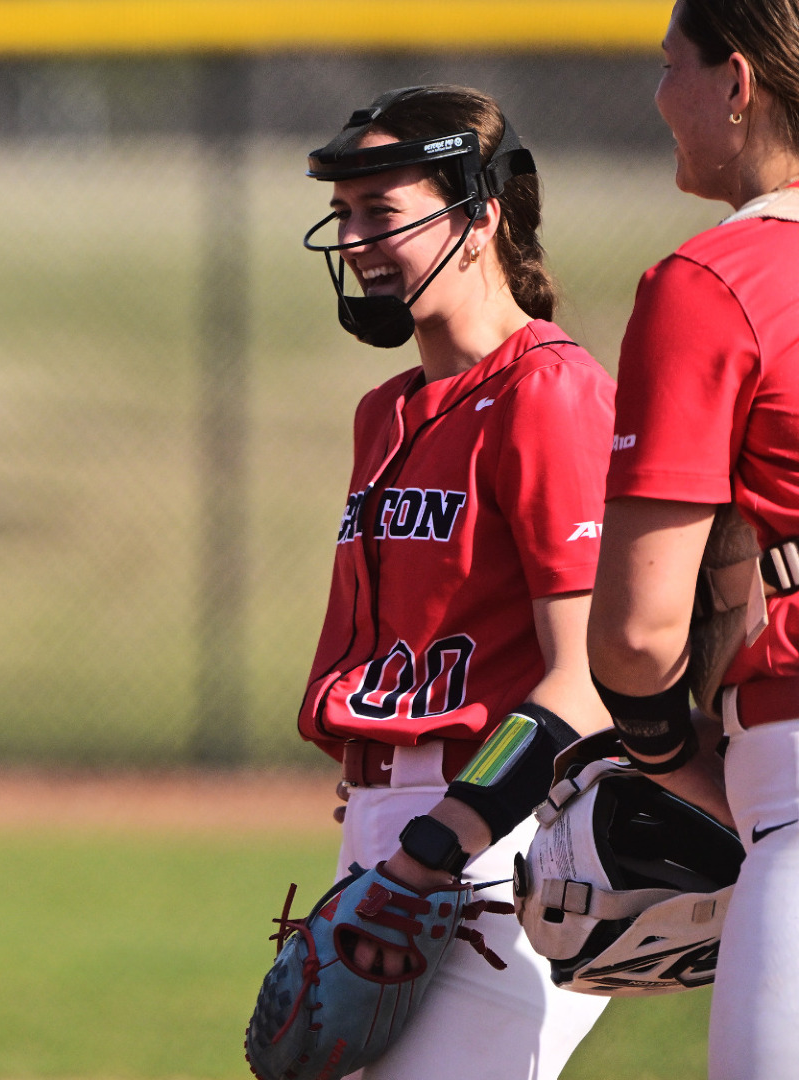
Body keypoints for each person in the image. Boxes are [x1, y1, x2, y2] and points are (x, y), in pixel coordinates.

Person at [293, 85, 614, 1078]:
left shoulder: (549, 392)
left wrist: (439, 839)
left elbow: (588, 678)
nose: (354, 240)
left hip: (502, 840)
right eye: (344, 216)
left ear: (478, 216)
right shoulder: (386, 413)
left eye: (382, 213)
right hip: (394, 840)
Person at [585, 0, 799, 1074]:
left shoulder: (712, 284)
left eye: (673, 66)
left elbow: (634, 631)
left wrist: (673, 759)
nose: (662, 96)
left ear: (738, 82)